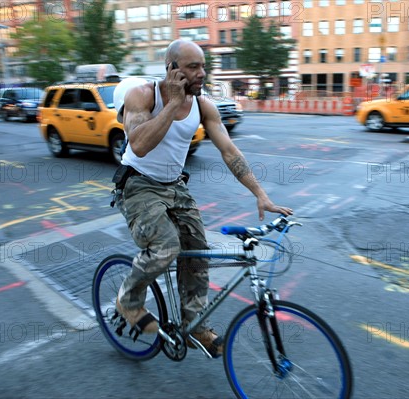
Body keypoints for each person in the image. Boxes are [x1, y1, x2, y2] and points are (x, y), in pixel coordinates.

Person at [111, 38, 293, 358]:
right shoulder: (141, 95)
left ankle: (193, 323)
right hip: (138, 184)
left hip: (174, 186)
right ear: (172, 69)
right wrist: (170, 104)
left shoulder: (203, 104)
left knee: (197, 252)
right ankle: (128, 301)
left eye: (203, 66)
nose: (202, 73)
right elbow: (138, 145)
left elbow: (229, 151)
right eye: (193, 67)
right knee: (165, 247)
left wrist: (261, 195)